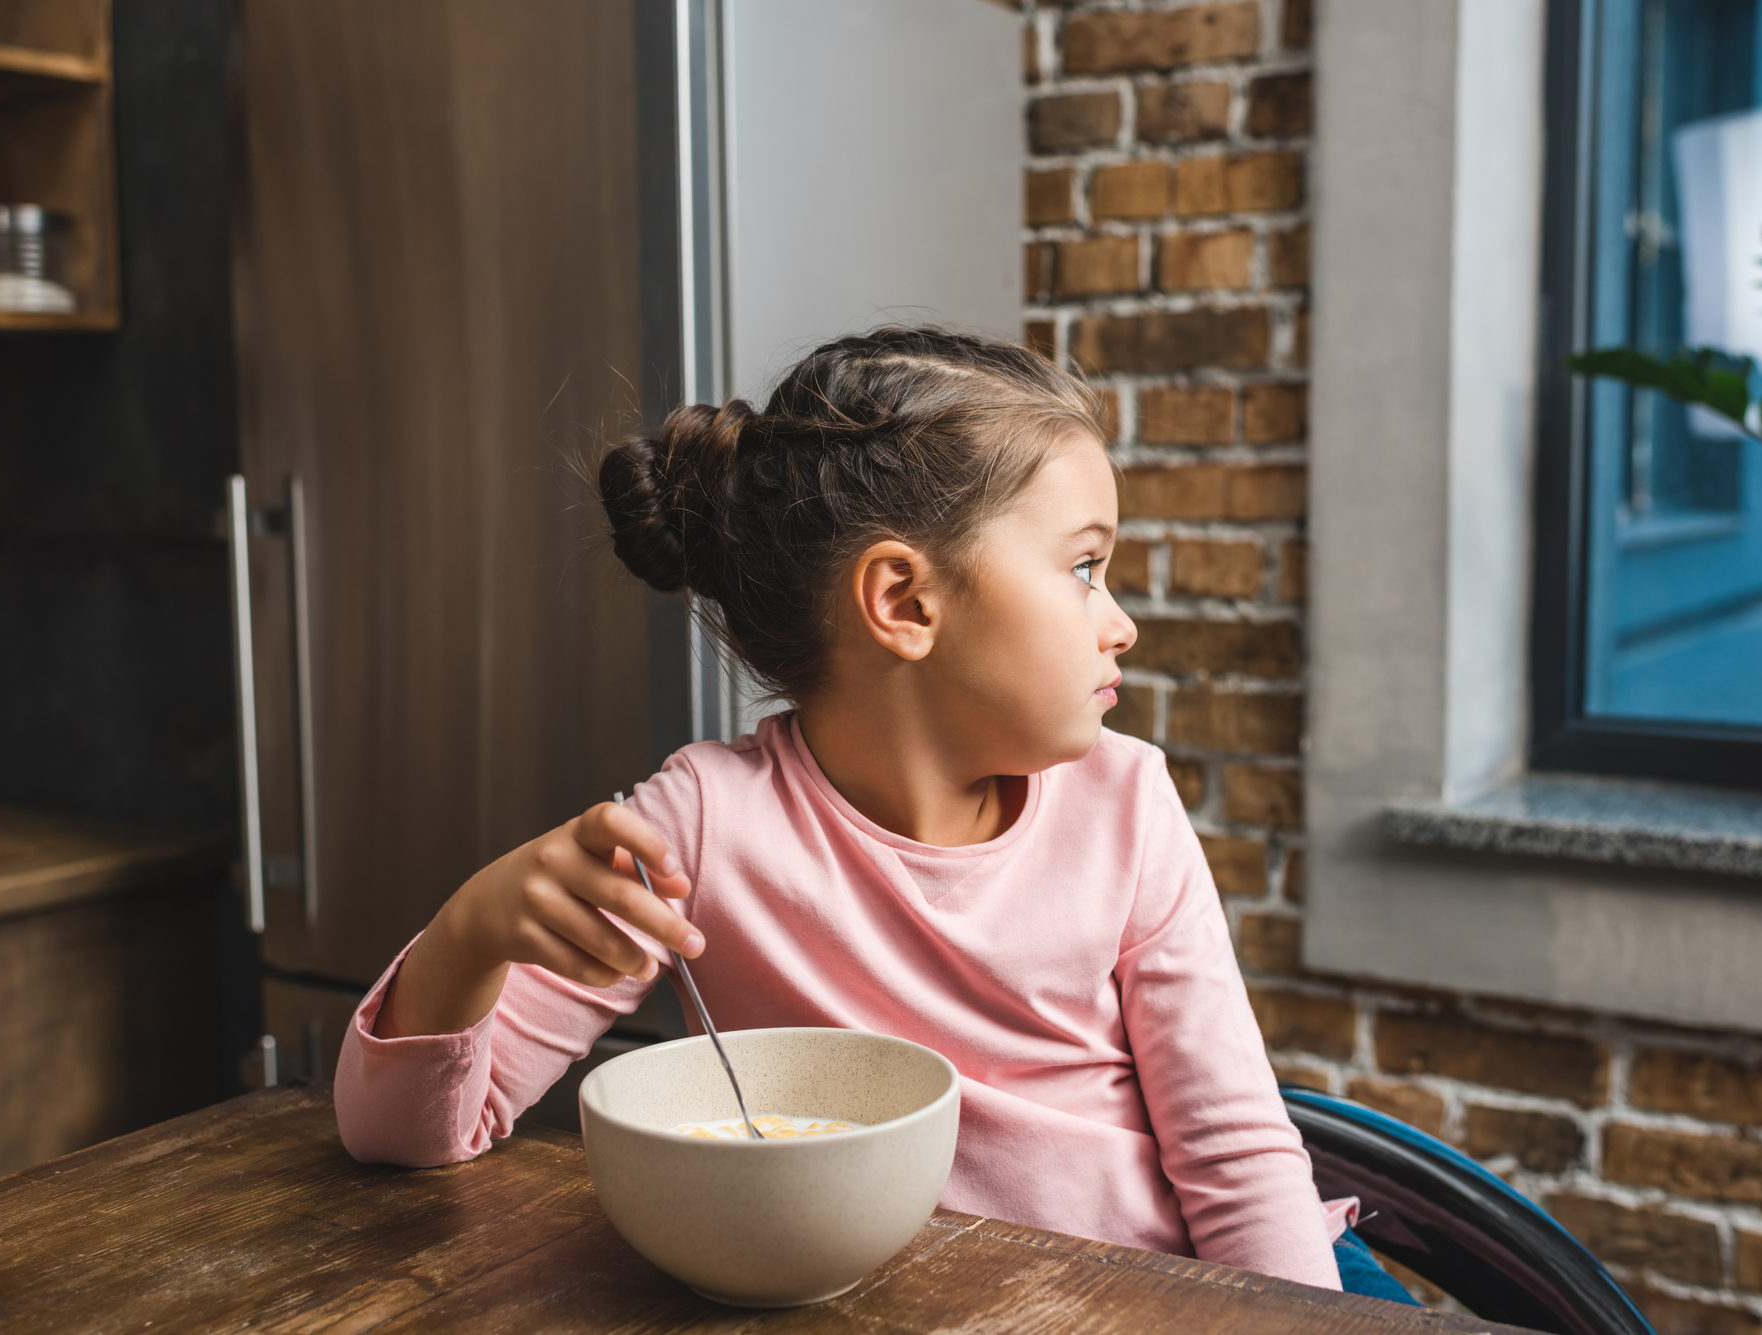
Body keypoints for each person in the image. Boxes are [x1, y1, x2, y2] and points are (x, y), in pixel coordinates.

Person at [334, 326, 1382, 1296]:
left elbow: (1235, 1156)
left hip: (1175, 1292)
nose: (1121, 626)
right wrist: (469, 933)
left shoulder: (1125, 805)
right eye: (1084, 568)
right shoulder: (701, 826)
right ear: (904, 603)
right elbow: (402, 1138)